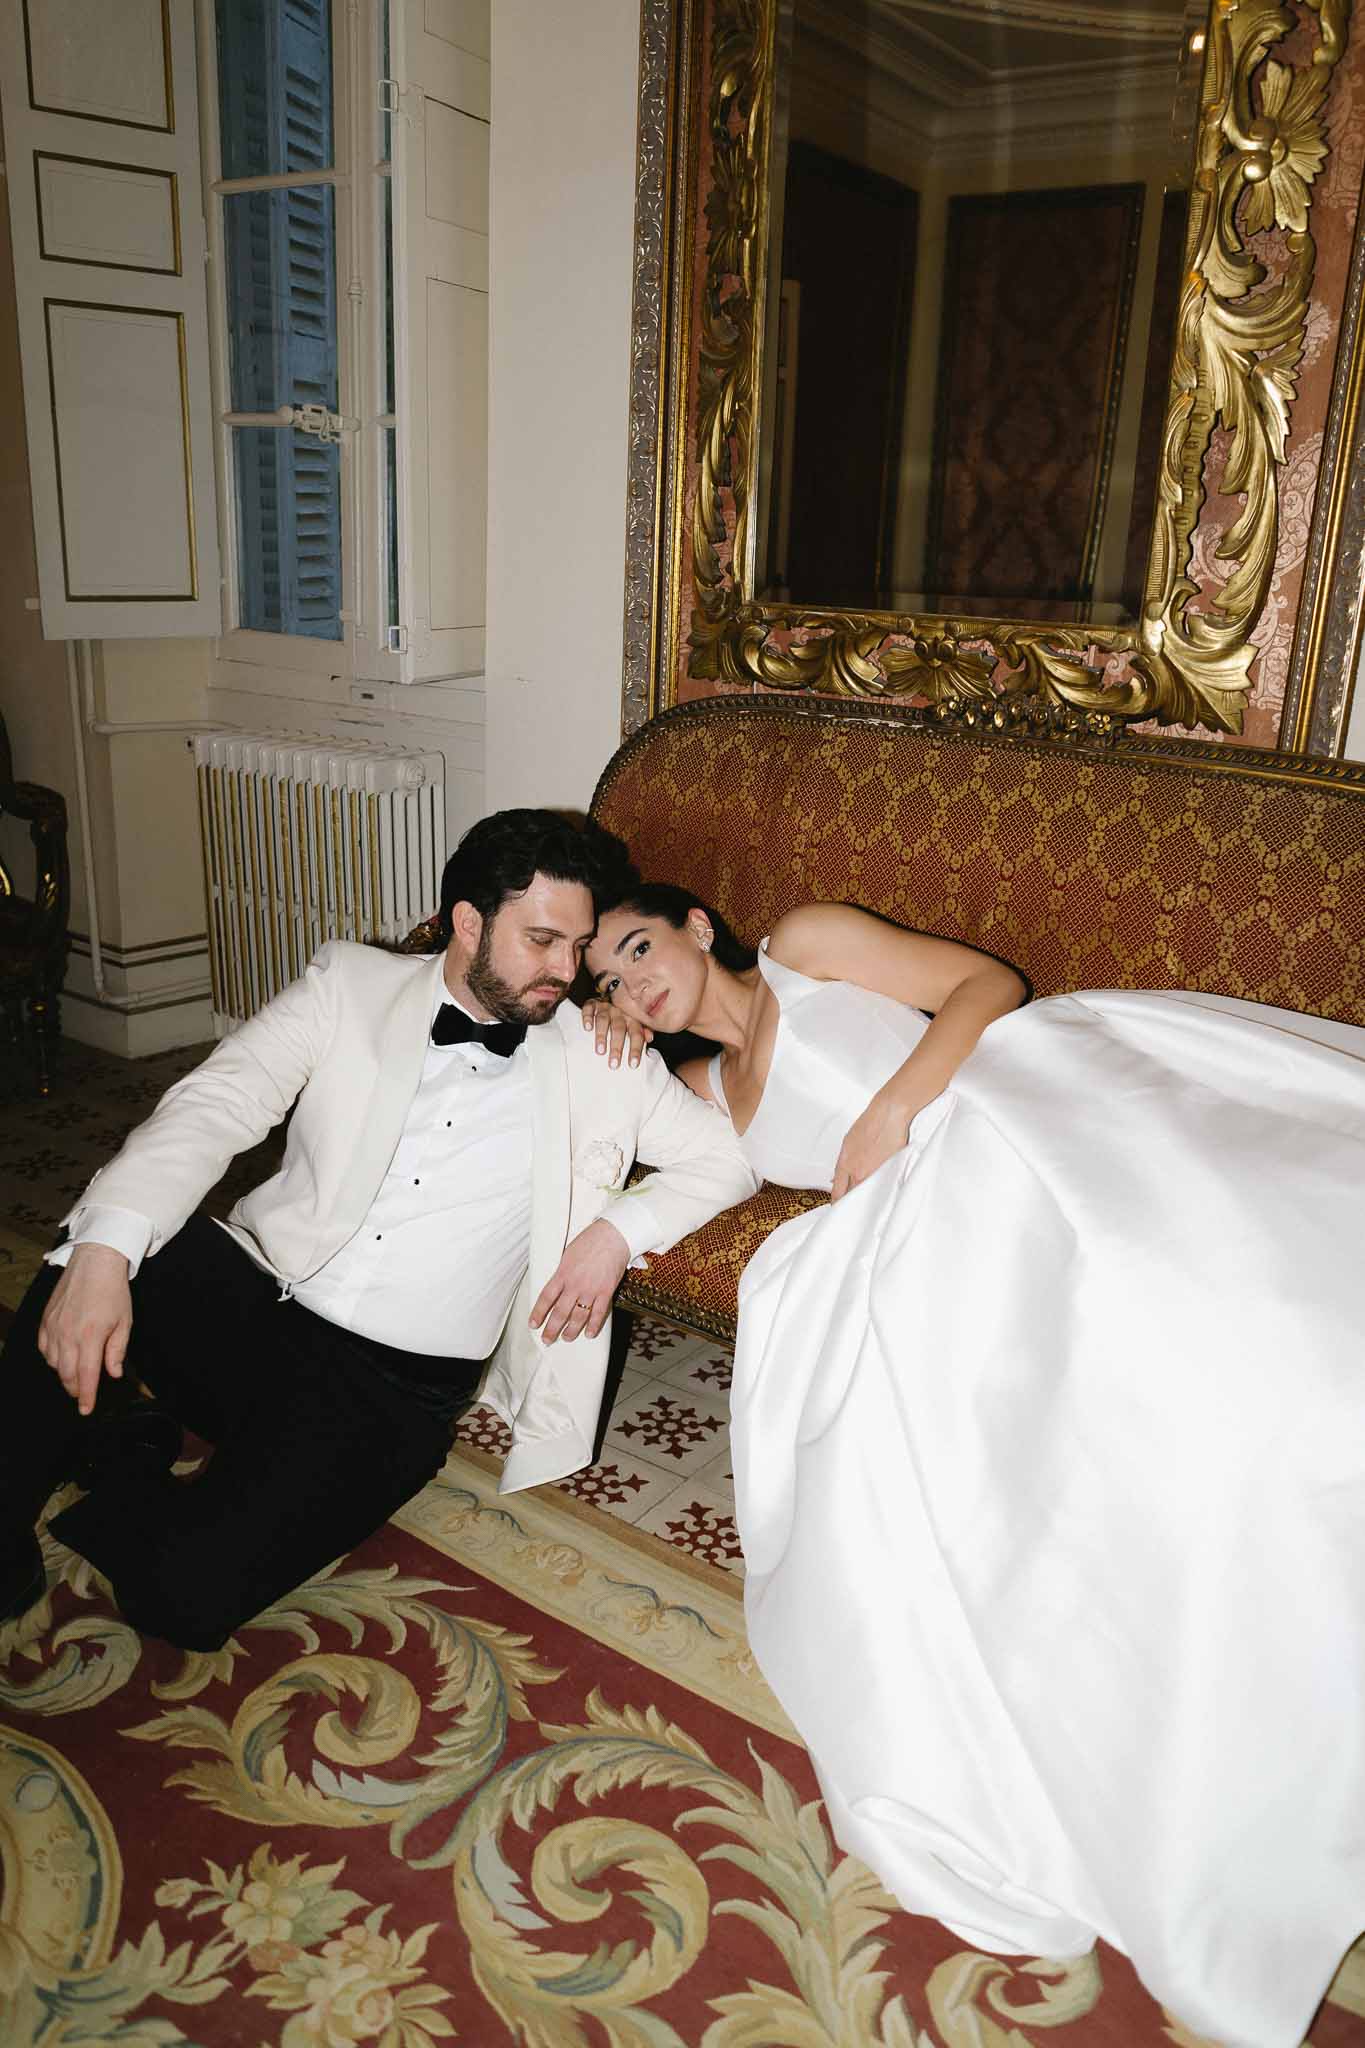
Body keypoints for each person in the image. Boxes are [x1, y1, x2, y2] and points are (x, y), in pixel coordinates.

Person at [582, 883, 1365, 2048]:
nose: (632, 980)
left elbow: (986, 985)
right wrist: (596, 1043)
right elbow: (593, 1133)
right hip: (927, 1219)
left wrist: (896, 1107)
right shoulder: (700, 1092)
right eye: (609, 981)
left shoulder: (802, 945)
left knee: (1217, 1267)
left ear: (698, 925)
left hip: (1004, 1103)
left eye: (637, 947)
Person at [0, 814, 758, 1653]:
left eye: (577, 946)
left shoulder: (599, 1053)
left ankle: (125, 1453)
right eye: (543, 940)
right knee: (100, 1245)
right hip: (265, 1295)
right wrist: (103, 1254)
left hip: (390, 1390)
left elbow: (726, 1160)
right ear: (469, 923)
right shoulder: (348, 983)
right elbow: (217, 1103)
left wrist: (616, 1234)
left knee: (182, 1601)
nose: (566, 971)